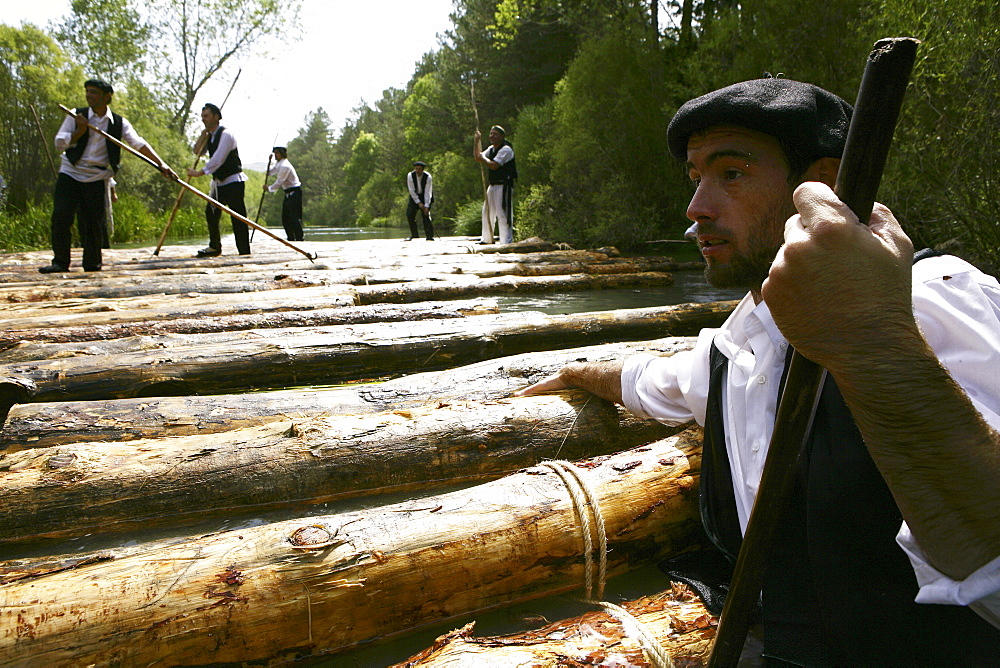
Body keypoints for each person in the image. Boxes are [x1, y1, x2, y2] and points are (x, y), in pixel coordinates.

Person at [517, 78, 1000, 664]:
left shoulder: (928, 302)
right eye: (696, 179)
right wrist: (577, 371)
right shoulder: (735, 347)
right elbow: (650, 381)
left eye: (732, 174)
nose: (696, 210)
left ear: (819, 184)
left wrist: (872, 343)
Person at [40, 78, 176, 273]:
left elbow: (138, 144)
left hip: (96, 177)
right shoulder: (76, 115)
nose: (88, 95)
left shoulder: (119, 123)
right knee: (61, 217)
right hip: (70, 172)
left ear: (107, 97)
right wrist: (79, 131)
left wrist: (161, 164)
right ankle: (60, 263)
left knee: (93, 223)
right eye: (87, 91)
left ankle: (92, 266)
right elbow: (59, 143)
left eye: (93, 92)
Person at [187, 103, 249, 256]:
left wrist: (200, 172)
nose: (204, 120)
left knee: (238, 217)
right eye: (202, 117)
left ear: (216, 117)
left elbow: (218, 158)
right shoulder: (210, 136)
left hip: (233, 181)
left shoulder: (226, 135)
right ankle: (214, 246)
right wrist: (203, 135)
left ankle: (244, 251)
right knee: (211, 213)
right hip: (219, 183)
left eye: (206, 116)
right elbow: (197, 152)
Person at [473, 125, 517, 244]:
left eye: (495, 134)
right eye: (491, 134)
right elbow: (478, 157)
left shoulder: (506, 149)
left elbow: (494, 165)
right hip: (492, 185)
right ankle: (487, 239)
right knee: (487, 212)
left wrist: (483, 158)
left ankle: (506, 241)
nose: (492, 136)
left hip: (504, 186)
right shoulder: (491, 149)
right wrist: (476, 141)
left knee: (503, 213)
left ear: (502, 136)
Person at [263, 146, 304, 241]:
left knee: (294, 217)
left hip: (295, 192)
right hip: (288, 193)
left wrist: (269, 189)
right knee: (285, 217)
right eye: (275, 153)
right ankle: (290, 237)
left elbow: (279, 181)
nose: (275, 155)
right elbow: (269, 173)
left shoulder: (285, 165)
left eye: (277, 153)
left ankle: (299, 237)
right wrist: (269, 163)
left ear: (282, 154)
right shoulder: (279, 164)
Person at [405, 160, 434, 241]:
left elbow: (428, 192)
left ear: (423, 169)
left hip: (426, 196)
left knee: (426, 215)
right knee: (409, 214)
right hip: (414, 196)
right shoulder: (410, 175)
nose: (418, 171)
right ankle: (414, 235)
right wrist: (418, 202)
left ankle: (429, 236)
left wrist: (426, 206)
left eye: (419, 169)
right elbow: (411, 190)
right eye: (416, 169)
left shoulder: (428, 177)